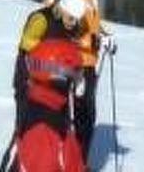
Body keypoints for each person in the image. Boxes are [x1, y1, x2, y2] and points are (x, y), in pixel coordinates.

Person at [15, 0, 108, 164]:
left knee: (84, 115)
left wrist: (102, 35)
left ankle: (75, 162)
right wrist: (88, 42)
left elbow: (89, 25)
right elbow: (57, 29)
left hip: (85, 62)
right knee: (65, 115)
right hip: (65, 63)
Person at [7, 37, 87, 172]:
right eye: (75, 75)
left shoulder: (47, 111)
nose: (78, 83)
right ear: (60, 78)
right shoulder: (45, 132)